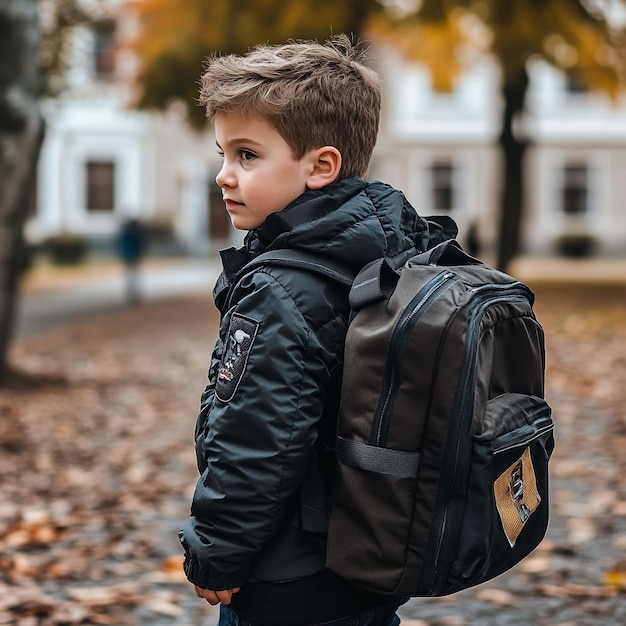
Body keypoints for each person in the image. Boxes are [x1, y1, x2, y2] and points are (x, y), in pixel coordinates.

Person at [179, 36, 456, 626]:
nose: (225, 176)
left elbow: (255, 438)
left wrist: (216, 555)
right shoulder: (392, 248)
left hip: (288, 576)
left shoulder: (281, 289)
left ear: (320, 166)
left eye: (247, 155)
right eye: (224, 154)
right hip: (368, 554)